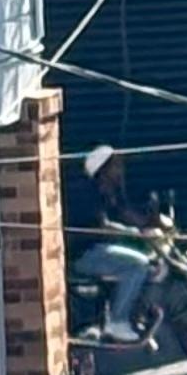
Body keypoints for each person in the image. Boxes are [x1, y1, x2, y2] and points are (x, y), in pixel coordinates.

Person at [74, 144, 155, 346]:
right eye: (116, 166)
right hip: (86, 254)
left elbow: (127, 213)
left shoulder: (113, 192)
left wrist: (154, 222)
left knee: (147, 258)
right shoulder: (90, 193)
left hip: (101, 250)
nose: (121, 169)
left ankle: (138, 315)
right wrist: (132, 232)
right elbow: (104, 226)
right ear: (104, 169)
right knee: (138, 264)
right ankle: (118, 321)